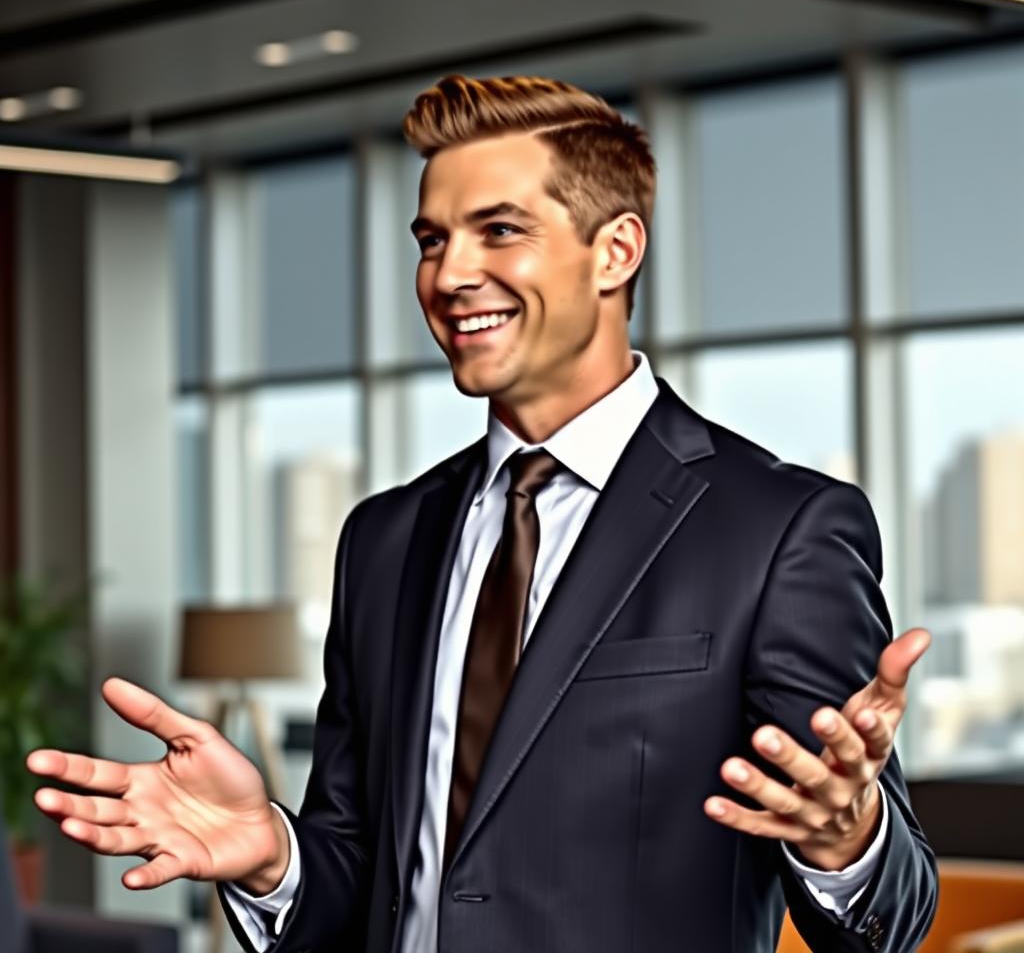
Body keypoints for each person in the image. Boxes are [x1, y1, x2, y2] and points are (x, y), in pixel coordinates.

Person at [27, 74, 938, 953]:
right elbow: (363, 879)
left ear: (616, 250)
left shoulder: (780, 529)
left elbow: (894, 920)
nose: (450, 274)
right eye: (431, 240)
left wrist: (844, 842)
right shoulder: (384, 540)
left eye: (498, 230)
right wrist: (273, 859)